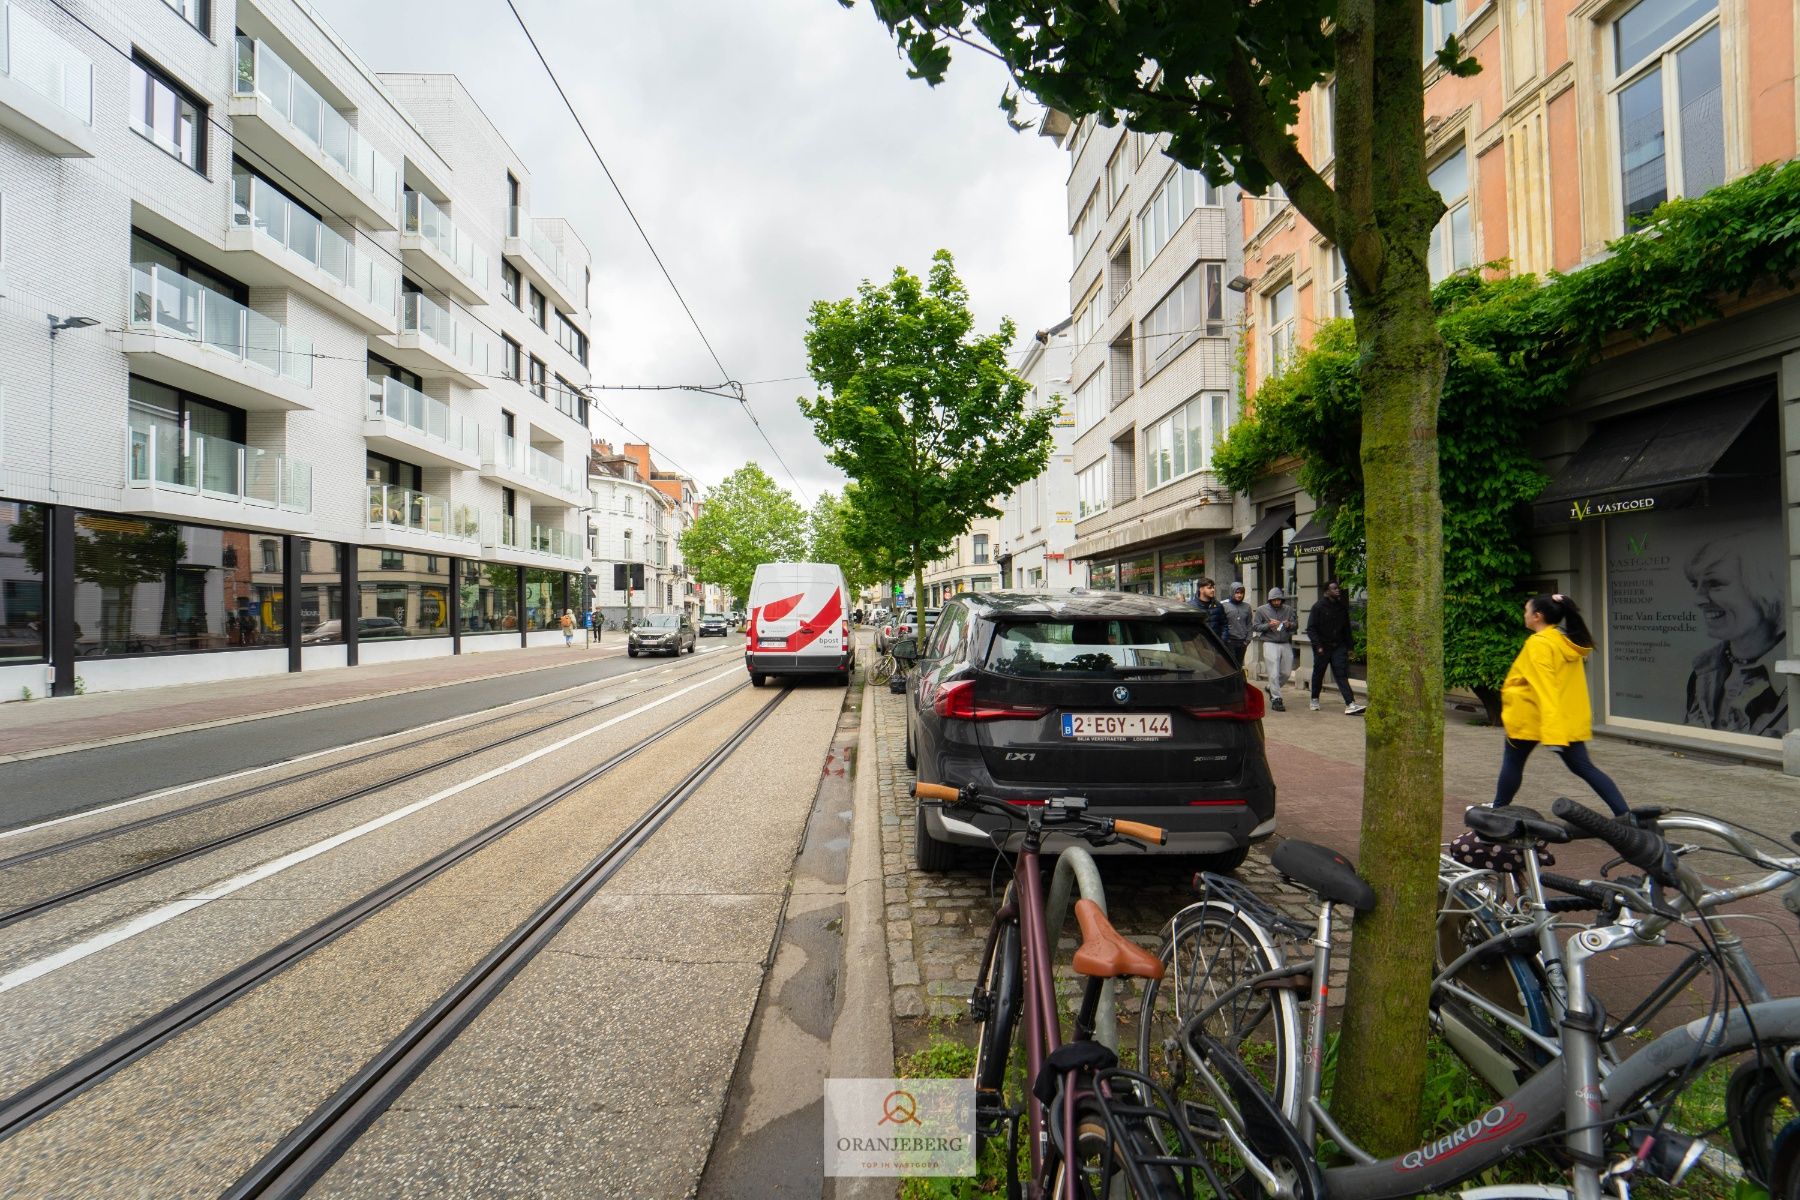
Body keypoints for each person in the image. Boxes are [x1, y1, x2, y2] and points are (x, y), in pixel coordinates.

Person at [1493, 593, 1628, 815]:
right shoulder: (1564, 641)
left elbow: (1544, 687)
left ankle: (1498, 810)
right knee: (1584, 768)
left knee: (1513, 762)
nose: (1524, 615)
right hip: (1563, 719)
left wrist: (1553, 734)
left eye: (1526, 611)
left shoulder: (1539, 644)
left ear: (1537, 616)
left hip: (1533, 717)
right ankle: (1626, 815)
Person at [1683, 534, 1787, 737]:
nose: (1698, 599)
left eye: (1715, 583)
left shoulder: (1788, 680)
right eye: (1695, 584)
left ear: (1764, 586)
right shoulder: (1702, 672)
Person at [1306, 579, 1365, 715]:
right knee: (1319, 674)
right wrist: (1318, 645)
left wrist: (1350, 647)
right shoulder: (1318, 607)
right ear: (1327, 591)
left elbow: (1346, 629)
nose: (1337, 590)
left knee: (1341, 674)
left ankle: (1350, 704)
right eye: (1334, 588)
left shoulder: (1341, 607)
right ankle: (1314, 698)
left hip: (1338, 646)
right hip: (1322, 647)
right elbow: (1311, 628)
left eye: (1337, 588)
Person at [1253, 586, 1297, 711]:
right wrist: (1268, 625)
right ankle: (1276, 698)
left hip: (1285, 642)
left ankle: (1270, 688)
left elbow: (1295, 624)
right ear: (1270, 600)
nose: (1276, 602)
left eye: (1278, 600)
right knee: (1273, 672)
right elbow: (1255, 626)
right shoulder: (1262, 610)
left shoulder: (1288, 609)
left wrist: (1289, 624)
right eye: (1274, 600)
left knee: (1286, 672)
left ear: (1282, 599)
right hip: (1269, 642)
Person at [1221, 582, 1254, 668]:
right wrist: (1224, 639)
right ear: (1232, 592)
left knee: (1239, 665)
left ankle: (1239, 681)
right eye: (1237, 592)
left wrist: (1247, 640)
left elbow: (1249, 624)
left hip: (1242, 642)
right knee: (1230, 665)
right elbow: (1221, 623)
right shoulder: (1224, 606)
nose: (1239, 595)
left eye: (1241, 593)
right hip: (1229, 641)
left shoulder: (1247, 607)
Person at [1190, 577, 1229, 647]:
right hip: (1198, 646)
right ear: (1201, 589)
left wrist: (1222, 641)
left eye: (1213, 587)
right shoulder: (1191, 606)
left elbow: (1224, 625)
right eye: (1209, 588)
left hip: (1216, 645)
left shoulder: (1218, 606)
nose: (1213, 590)